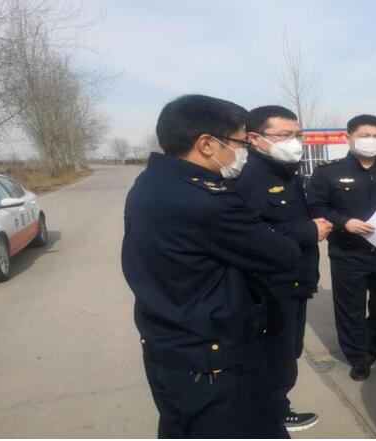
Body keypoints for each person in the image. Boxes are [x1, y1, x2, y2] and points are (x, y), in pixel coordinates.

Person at [122, 94, 300, 438]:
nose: (243, 152)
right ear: (206, 144)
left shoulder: (150, 183)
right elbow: (284, 256)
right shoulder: (206, 201)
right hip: (213, 361)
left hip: (167, 346)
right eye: (239, 143)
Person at [231, 105, 332, 431]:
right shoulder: (247, 177)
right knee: (276, 355)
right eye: (285, 135)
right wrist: (307, 231)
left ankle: (272, 408)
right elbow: (247, 233)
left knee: (288, 350)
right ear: (255, 138)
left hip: (295, 279)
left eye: (297, 135)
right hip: (271, 285)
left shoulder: (285, 170)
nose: (295, 142)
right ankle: (273, 415)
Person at [308, 114, 376, 381]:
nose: (371, 141)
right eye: (364, 135)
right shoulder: (328, 172)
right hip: (348, 251)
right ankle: (358, 356)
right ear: (348, 138)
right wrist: (344, 223)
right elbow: (316, 207)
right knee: (351, 307)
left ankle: (375, 336)